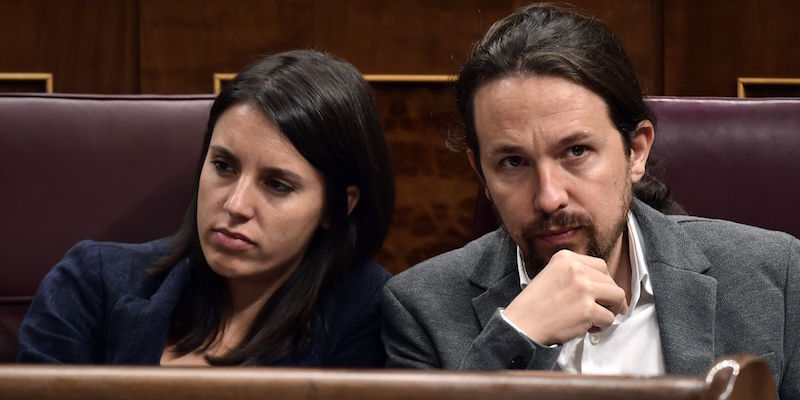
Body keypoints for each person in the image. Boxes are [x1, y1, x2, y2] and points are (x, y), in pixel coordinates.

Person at [381, 3, 799, 398]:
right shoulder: (421, 310)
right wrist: (516, 337)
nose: (548, 198)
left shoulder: (774, 278)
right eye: (513, 162)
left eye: (576, 152)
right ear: (481, 175)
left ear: (635, 151)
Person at [18, 49, 395, 366]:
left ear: (337, 207)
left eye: (277, 184)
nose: (235, 204)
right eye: (224, 166)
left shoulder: (369, 313)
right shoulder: (90, 284)